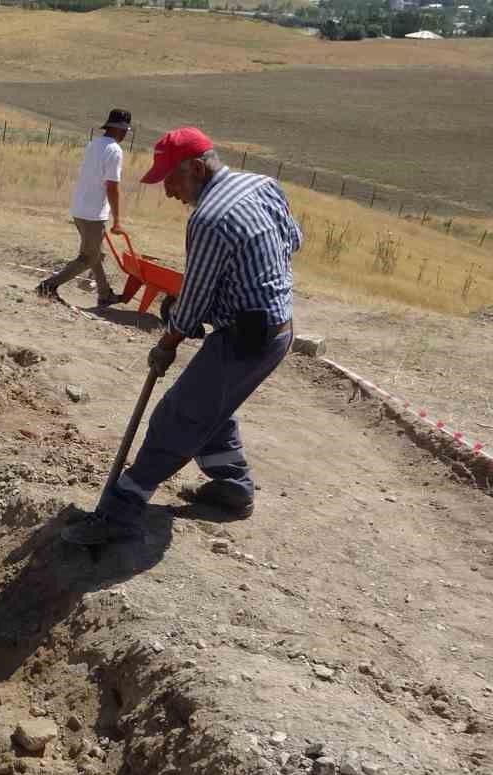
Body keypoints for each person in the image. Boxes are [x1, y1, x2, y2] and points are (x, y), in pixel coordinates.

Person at [62, 127, 302, 546]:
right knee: (211, 404)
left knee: (176, 417)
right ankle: (233, 488)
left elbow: (194, 295)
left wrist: (167, 343)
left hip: (246, 339)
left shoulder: (210, 219)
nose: (170, 192)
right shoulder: (264, 184)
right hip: (279, 329)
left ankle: (118, 515)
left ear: (195, 168)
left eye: (171, 180)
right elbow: (291, 242)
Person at [36, 108, 131, 307]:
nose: (125, 135)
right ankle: (48, 286)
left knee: (96, 254)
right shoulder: (115, 150)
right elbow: (112, 186)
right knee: (88, 257)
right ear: (121, 130)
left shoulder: (93, 144)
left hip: (80, 209)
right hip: (93, 214)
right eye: (125, 131)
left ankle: (104, 294)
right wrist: (118, 221)